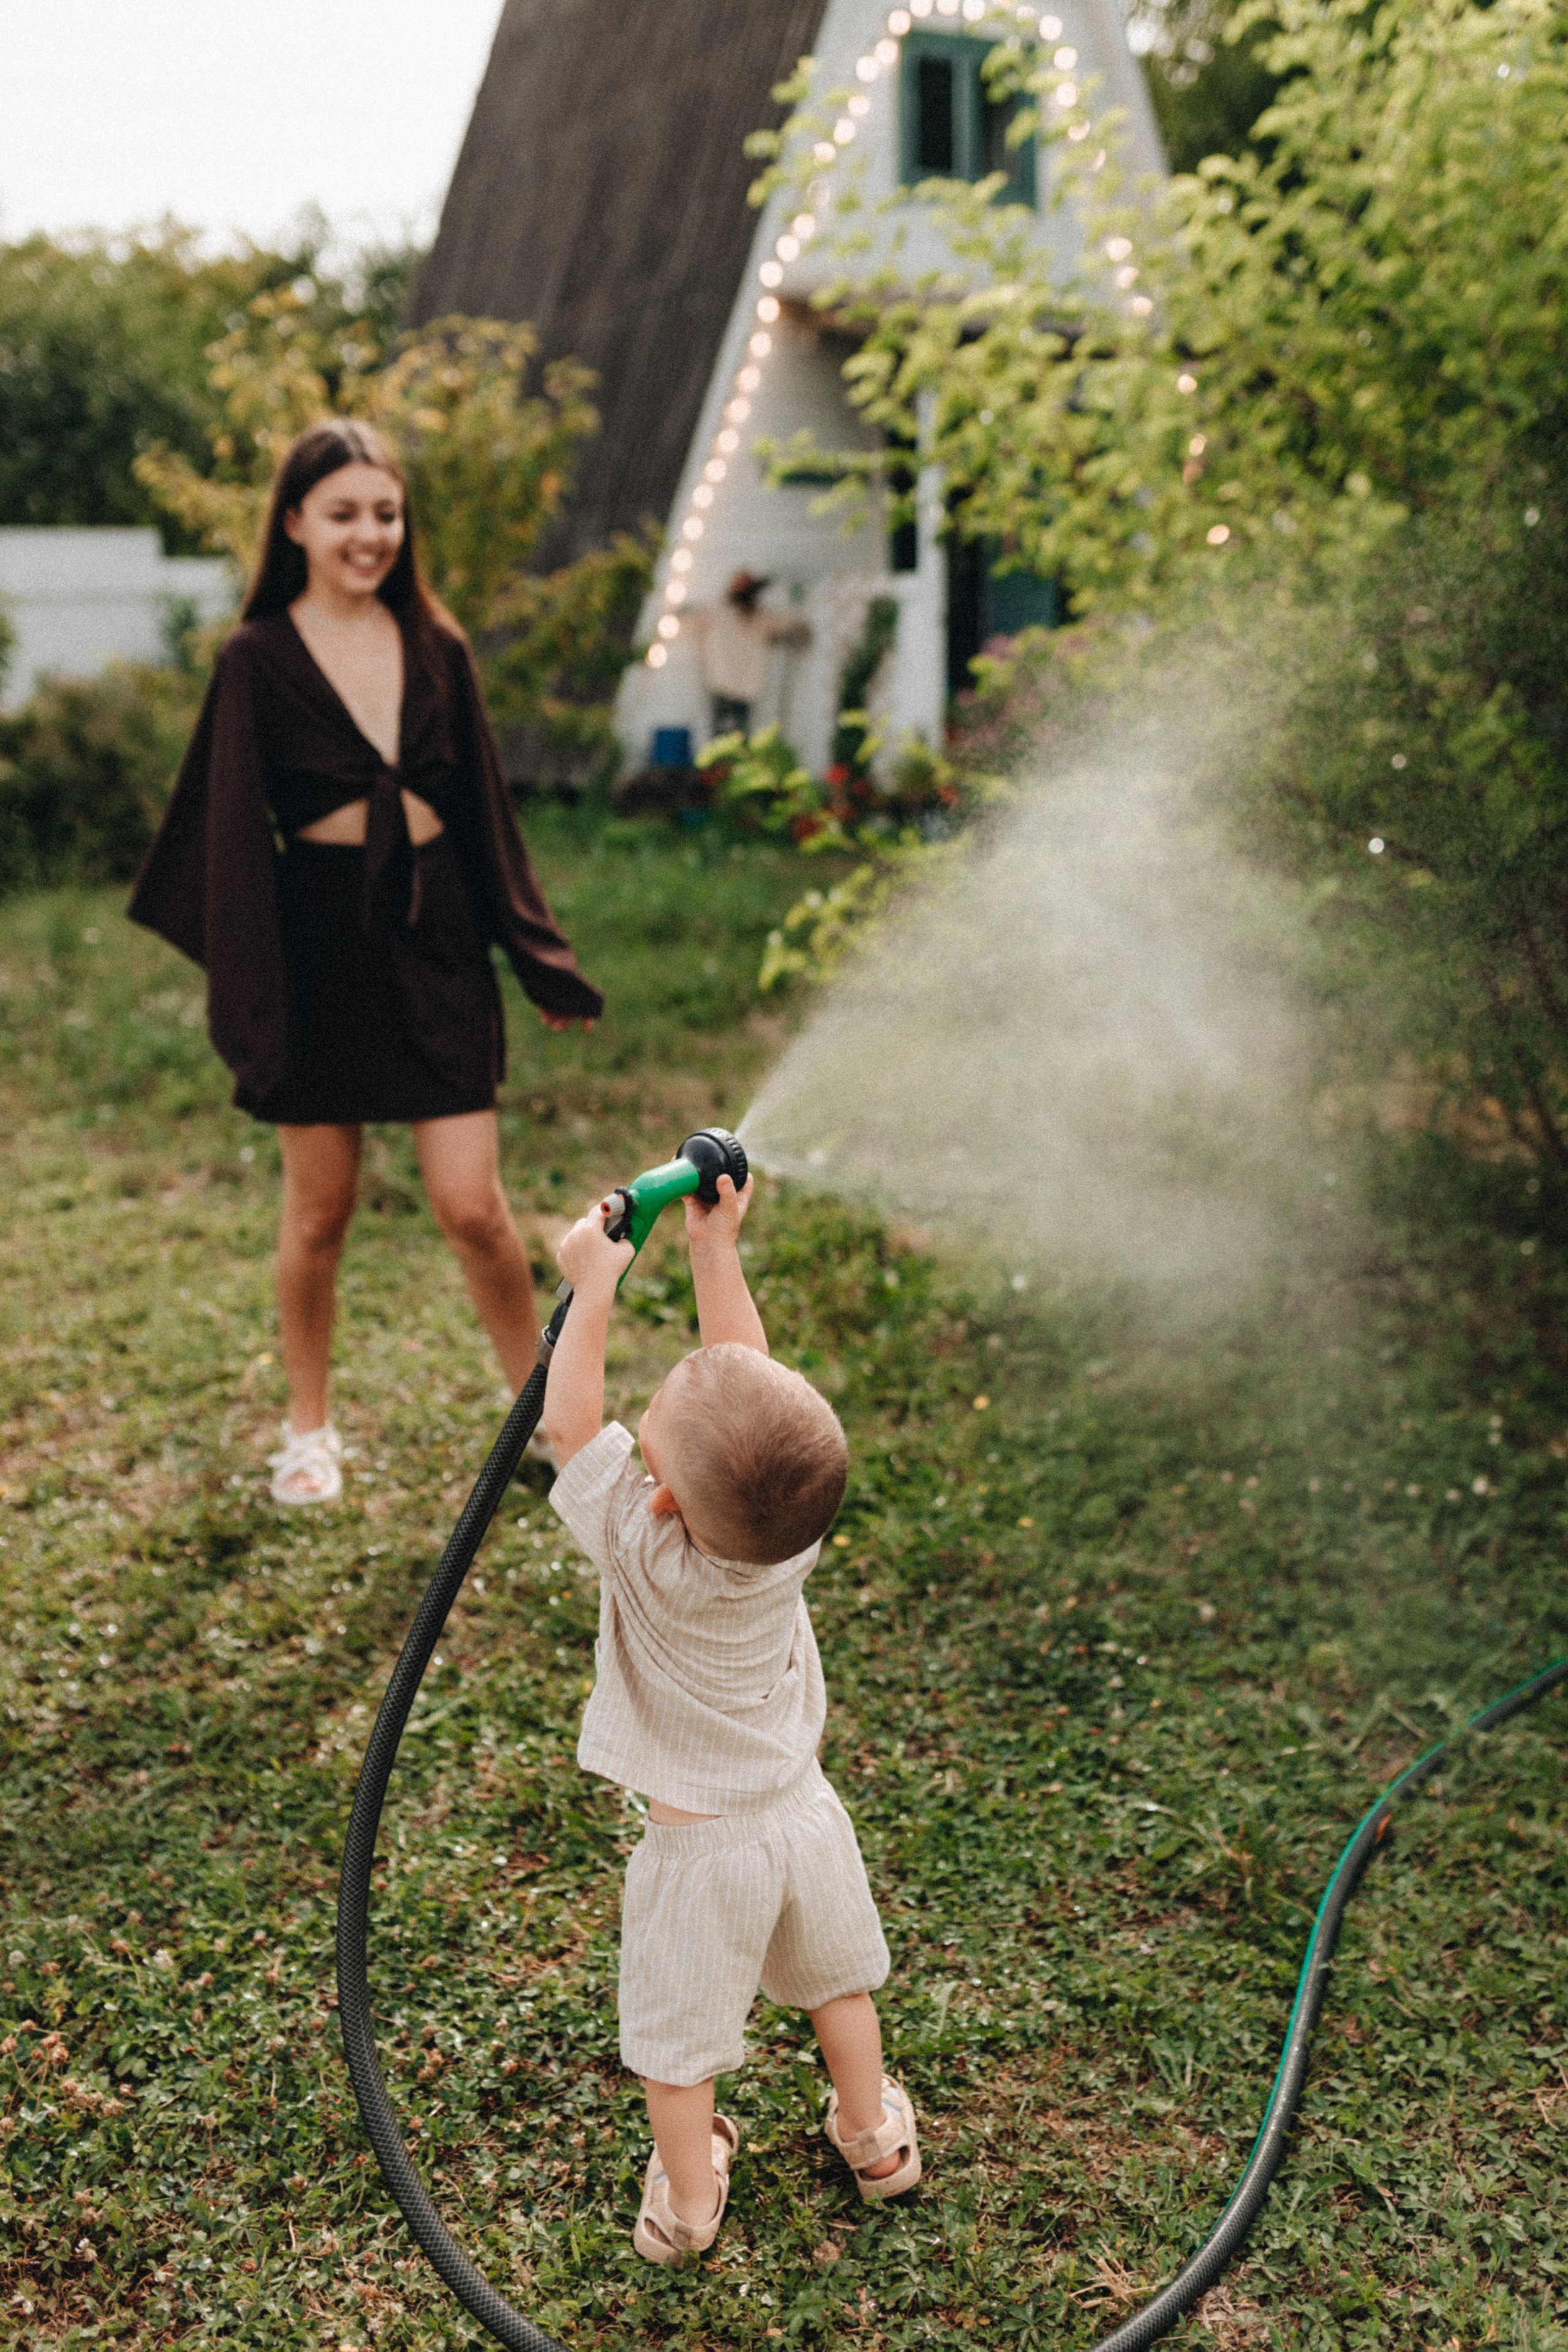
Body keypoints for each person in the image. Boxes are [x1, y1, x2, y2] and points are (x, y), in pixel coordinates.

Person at [129, 418, 602, 1506]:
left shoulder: (438, 646)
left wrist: (539, 958)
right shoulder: (256, 658)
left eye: (385, 513)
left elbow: (485, 812)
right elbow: (224, 832)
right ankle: (308, 1431)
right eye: (344, 513)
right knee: (320, 1212)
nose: (369, 533)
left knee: (472, 1206)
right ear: (294, 523)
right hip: (317, 948)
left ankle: (549, 1422)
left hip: (433, 939)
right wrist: (250, 990)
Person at [542, 1169, 921, 2267]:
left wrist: (591, 1290)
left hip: (700, 1850)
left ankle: (693, 2205)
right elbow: (748, 1387)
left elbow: (570, 1431)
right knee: (834, 1984)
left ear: (654, 1489)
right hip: (804, 1819)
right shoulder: (788, 1539)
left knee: (679, 2042)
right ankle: (872, 2135)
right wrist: (717, 1248)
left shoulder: (644, 1548)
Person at [688, 570, 810, 741]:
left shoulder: (761, 619)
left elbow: (790, 625)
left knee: (740, 742)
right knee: (721, 743)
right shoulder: (717, 614)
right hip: (721, 688)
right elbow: (691, 624)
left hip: (745, 692)